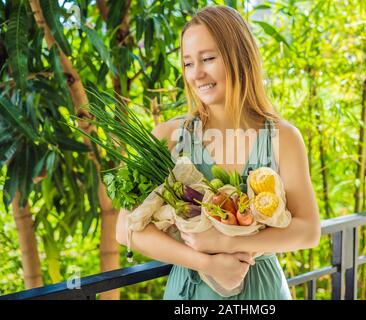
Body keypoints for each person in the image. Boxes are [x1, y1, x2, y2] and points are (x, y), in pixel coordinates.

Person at [116, 5, 321, 300]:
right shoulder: (169, 138)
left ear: (239, 57)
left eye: (208, 59)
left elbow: (308, 230)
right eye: (187, 63)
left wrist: (224, 243)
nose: (196, 74)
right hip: (190, 294)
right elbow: (126, 229)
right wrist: (207, 262)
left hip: (262, 292)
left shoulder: (282, 137)